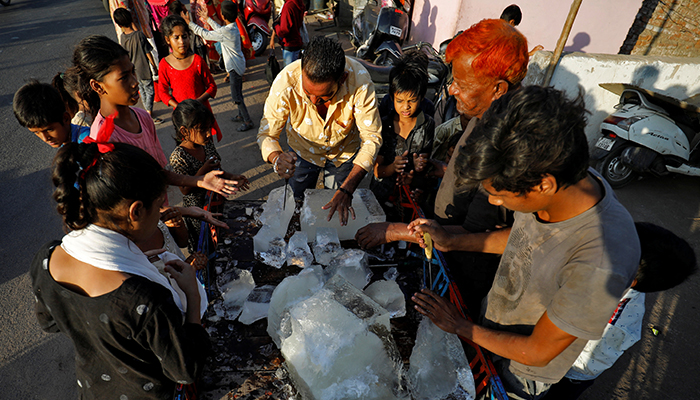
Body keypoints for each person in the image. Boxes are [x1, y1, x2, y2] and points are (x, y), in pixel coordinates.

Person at [410, 86, 641, 399]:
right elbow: (524, 239)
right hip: (490, 326)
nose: (492, 200)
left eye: (499, 194)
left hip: (520, 373)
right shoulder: (562, 178)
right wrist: (453, 241)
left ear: (543, 185)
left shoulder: (600, 261)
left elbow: (537, 352)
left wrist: (460, 326)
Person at [355, 20, 527, 314]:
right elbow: (472, 179)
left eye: (461, 84)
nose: (453, 91)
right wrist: (441, 169)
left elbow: (488, 233)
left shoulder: (510, 143)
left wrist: (396, 231)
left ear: (497, 88)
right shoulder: (483, 114)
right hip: (440, 242)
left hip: (466, 267)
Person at [31, 141, 210, 399]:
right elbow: (185, 369)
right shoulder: (146, 299)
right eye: (158, 205)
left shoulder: (46, 259)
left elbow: (49, 321)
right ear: (136, 211)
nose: (161, 212)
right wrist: (192, 295)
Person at [543, 222, 697, 400]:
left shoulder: (606, 313)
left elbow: (561, 344)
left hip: (573, 371)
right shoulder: (627, 279)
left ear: (629, 275)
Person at [72, 35, 240, 197]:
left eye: (133, 72)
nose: (134, 82)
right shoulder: (103, 139)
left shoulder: (143, 117)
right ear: (98, 86)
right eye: (124, 77)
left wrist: (199, 181)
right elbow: (125, 200)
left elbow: (157, 172)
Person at [257, 36, 382, 225]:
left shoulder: (359, 81)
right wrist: (276, 158)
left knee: (336, 206)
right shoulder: (286, 81)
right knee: (295, 206)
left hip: (343, 154)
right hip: (302, 152)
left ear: (342, 79)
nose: (314, 102)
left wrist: (347, 189)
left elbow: (371, 138)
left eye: (324, 96)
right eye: (308, 94)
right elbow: (267, 134)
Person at [170, 99, 250, 252]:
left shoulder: (206, 143)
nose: (208, 134)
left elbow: (217, 169)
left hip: (216, 201)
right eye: (203, 129)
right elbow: (185, 189)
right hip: (197, 210)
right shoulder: (178, 156)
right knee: (205, 244)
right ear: (185, 132)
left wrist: (233, 177)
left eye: (209, 128)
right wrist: (203, 169)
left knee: (221, 237)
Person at [370, 51, 435, 211]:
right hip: (381, 196)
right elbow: (378, 171)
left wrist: (417, 170)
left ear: (422, 98)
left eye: (412, 101)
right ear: (392, 98)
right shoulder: (384, 124)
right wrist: (393, 167)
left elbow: (424, 163)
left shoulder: (427, 124)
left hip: (410, 196)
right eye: (400, 101)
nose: (406, 107)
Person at [184, 1, 255, 131]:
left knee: (236, 97)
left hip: (234, 68)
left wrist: (190, 24)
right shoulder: (232, 28)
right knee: (238, 94)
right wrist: (207, 19)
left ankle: (247, 120)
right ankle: (241, 115)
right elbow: (219, 30)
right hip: (237, 65)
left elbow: (206, 34)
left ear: (222, 15)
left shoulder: (227, 31)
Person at [158, 15, 223, 141]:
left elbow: (211, 87)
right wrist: (178, 106)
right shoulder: (164, 64)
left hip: (201, 116)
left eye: (184, 36)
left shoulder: (197, 61)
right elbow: (163, 92)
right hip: (182, 119)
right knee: (188, 151)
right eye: (176, 38)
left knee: (207, 150)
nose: (182, 41)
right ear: (167, 39)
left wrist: (197, 102)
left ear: (189, 36)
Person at [113, 8, 163, 125]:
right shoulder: (139, 35)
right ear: (131, 20)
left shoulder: (123, 37)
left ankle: (147, 110)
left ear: (119, 24)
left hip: (133, 70)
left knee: (142, 89)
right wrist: (154, 65)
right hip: (144, 68)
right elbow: (147, 52)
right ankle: (149, 113)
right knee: (149, 90)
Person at [13, 81, 90, 147]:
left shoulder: (87, 141)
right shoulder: (67, 141)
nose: (45, 138)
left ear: (66, 118)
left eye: (49, 130)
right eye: (36, 132)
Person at [270, 0, 306, 66]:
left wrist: (276, 25)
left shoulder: (288, 6)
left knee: (289, 72)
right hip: (297, 43)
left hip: (289, 45)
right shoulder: (298, 3)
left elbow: (283, 31)